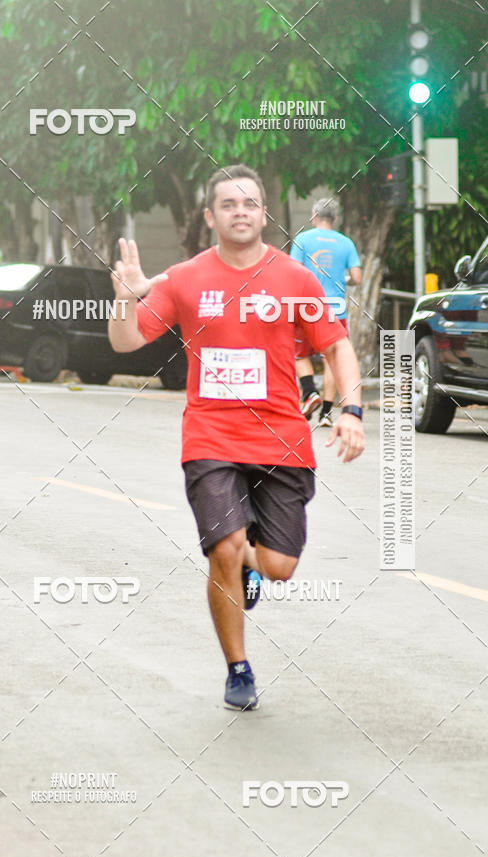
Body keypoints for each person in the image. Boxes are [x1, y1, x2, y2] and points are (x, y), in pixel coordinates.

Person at [109, 164, 365, 711]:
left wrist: (353, 409)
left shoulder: (295, 279)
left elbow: (336, 346)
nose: (240, 212)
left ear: (264, 212)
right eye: (228, 204)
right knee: (223, 548)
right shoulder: (183, 278)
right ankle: (238, 668)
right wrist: (127, 297)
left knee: (278, 566)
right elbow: (126, 341)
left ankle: (253, 564)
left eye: (250, 203)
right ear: (210, 216)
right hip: (210, 437)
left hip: (281, 441)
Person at [290, 198, 362, 426]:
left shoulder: (303, 239)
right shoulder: (346, 242)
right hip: (336, 310)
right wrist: (343, 279)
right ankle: (327, 414)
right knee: (332, 358)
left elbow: (294, 272)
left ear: (314, 215)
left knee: (299, 354)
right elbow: (357, 278)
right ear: (336, 218)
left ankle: (310, 392)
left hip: (307, 307)